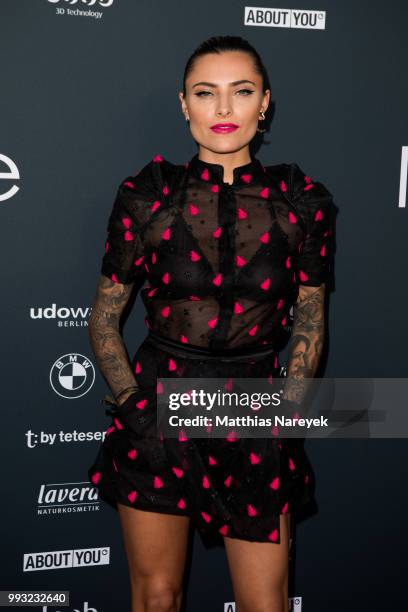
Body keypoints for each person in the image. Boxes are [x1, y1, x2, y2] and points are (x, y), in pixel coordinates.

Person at [87, 35, 336, 612]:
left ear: (264, 102)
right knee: (156, 596)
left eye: (240, 92)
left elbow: (311, 320)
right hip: (157, 410)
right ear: (184, 105)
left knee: (264, 602)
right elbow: (104, 317)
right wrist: (132, 406)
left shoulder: (302, 202)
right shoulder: (147, 196)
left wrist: (285, 415)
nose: (224, 110)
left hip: (253, 409)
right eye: (206, 93)